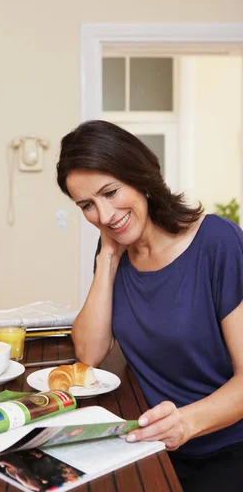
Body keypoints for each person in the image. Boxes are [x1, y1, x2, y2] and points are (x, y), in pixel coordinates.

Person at [56, 119, 243, 492]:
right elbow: (89, 353)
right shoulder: (114, 247)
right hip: (149, 439)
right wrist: (108, 257)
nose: (105, 215)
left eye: (111, 192)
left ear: (140, 175)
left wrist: (186, 423)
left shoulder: (217, 243)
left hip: (225, 446)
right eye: (88, 205)